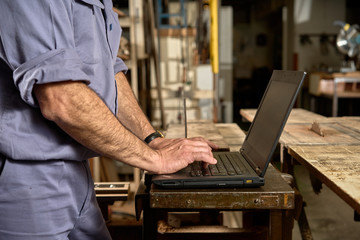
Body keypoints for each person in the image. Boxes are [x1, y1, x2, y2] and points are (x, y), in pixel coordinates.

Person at [0, 1, 217, 239]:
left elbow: (109, 70)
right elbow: (61, 98)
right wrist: (155, 160)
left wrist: (152, 139)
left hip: (77, 172)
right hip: (26, 178)